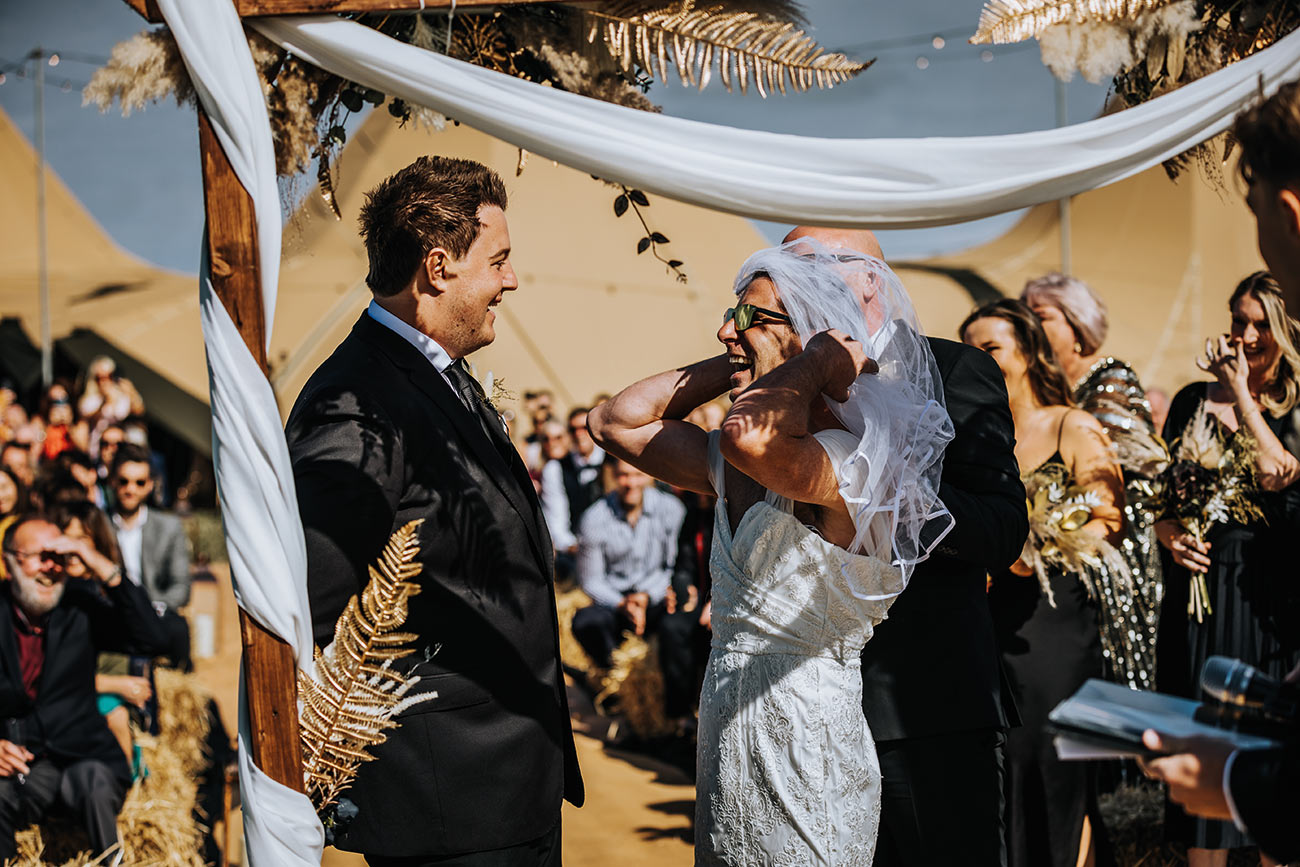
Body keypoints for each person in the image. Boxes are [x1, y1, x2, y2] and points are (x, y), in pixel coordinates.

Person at [590, 237, 953, 864]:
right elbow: (615, 422)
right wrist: (741, 353)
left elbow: (751, 439)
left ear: (812, 335)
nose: (726, 328)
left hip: (806, 738)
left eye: (750, 315)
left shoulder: (852, 461)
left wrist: (811, 362)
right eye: (732, 313)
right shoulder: (728, 458)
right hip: (727, 726)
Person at [285, 155, 582, 865]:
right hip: (446, 806)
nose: (511, 280)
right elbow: (313, 604)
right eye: (500, 260)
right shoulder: (355, 403)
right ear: (439, 266)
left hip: (506, 786)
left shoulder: (438, 374)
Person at [785, 227, 1026, 867]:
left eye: (807, 268)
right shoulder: (786, 387)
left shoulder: (958, 369)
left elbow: (1003, 529)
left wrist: (897, 502)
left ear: (869, 279)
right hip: (807, 702)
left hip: (928, 704)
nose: (789, 284)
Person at [962, 299, 1124, 867]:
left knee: (1054, 771)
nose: (979, 360)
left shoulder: (1071, 424)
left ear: (1028, 353)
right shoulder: (971, 438)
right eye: (970, 350)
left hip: (1054, 631)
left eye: (991, 349)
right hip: (987, 627)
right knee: (1000, 773)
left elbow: (1109, 515)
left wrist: (1042, 545)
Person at [1153, 272, 1300, 866]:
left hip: (1270, 596)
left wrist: (1240, 391)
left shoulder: (1293, 403)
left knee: (1273, 758)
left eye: (1261, 323)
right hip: (1198, 594)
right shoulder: (1191, 400)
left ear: (1286, 329)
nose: (1244, 334)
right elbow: (1163, 499)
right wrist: (1169, 534)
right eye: (1238, 319)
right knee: (1202, 747)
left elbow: (1279, 474)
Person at [1023, 272, 1164, 691]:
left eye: (1041, 315)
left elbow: (1105, 481)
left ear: (1077, 326)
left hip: (1112, 552)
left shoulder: (1110, 381)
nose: (1028, 325)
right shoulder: (1047, 394)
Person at [0, 515, 167, 862]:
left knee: (92, 780)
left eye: (58, 557)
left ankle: (110, 858)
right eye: (40, 557)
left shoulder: (80, 606)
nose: (51, 567)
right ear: (10, 561)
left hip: (85, 757)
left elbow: (153, 637)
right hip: (24, 768)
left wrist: (93, 559)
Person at [571, 456, 696, 722]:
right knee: (584, 622)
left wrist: (646, 596)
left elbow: (673, 566)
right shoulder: (594, 517)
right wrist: (622, 603)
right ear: (614, 476)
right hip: (616, 603)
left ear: (649, 476)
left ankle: (679, 717)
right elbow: (590, 580)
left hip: (658, 596)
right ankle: (616, 689)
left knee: (676, 628)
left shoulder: (671, 509)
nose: (631, 483)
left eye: (637, 475)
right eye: (624, 476)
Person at [109, 444, 192, 671]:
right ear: (112, 481)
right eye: (124, 481)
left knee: (178, 630)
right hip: (113, 615)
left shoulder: (168, 526)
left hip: (156, 614)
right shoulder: (101, 524)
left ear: (150, 485)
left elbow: (181, 587)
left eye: (139, 482)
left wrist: (152, 607)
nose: (130, 489)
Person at [539, 406, 605, 570]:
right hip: (577, 552)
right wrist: (572, 546)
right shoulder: (556, 468)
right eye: (573, 429)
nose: (579, 434)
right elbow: (556, 518)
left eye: (585, 427)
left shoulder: (613, 461)